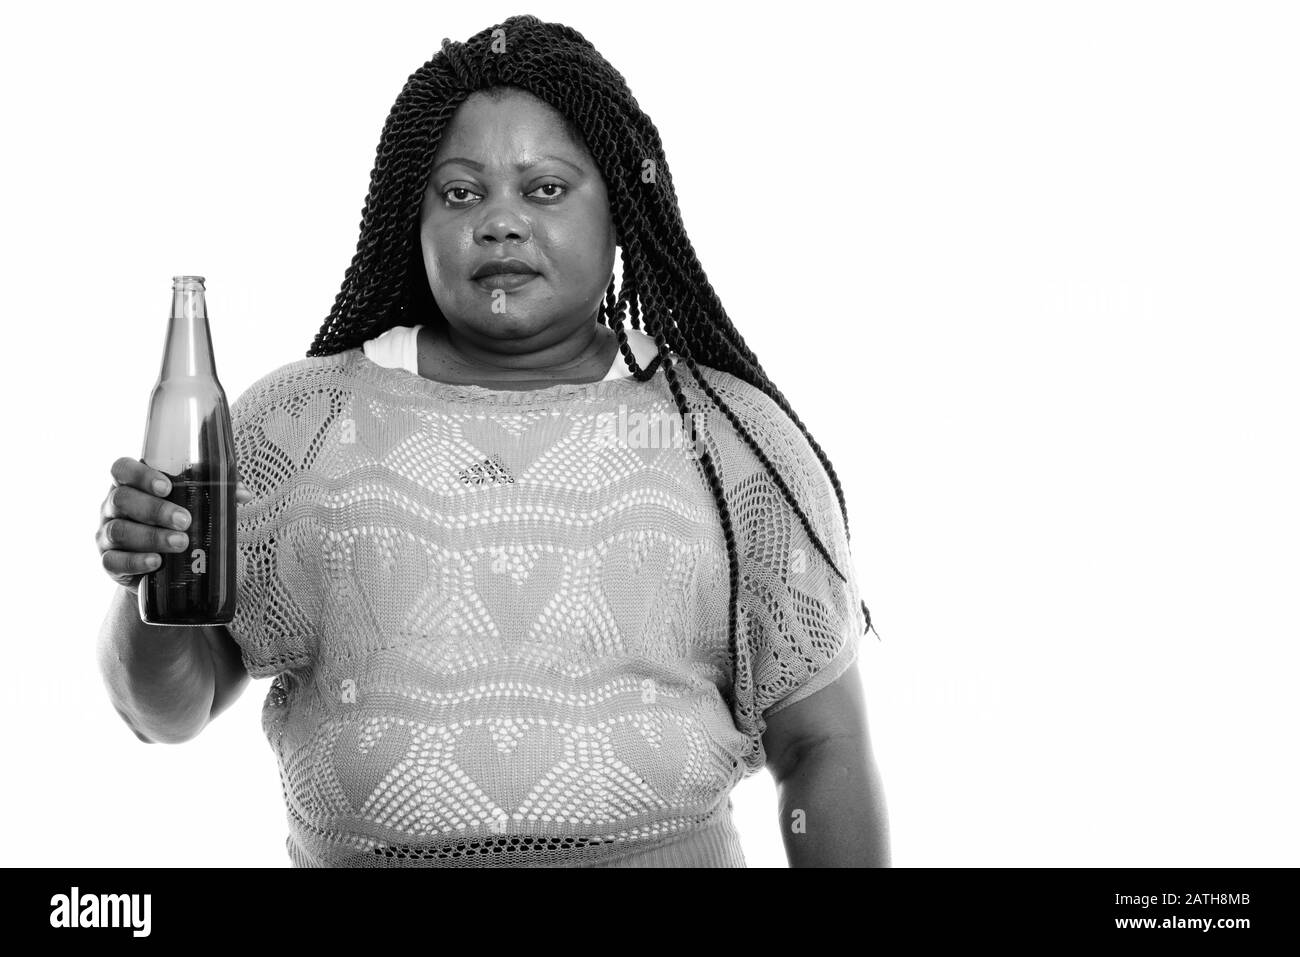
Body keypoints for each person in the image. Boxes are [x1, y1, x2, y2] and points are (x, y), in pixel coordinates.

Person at [96, 14, 889, 867]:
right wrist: (144, 587)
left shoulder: (729, 436)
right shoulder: (296, 423)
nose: (500, 222)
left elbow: (819, 749)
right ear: (415, 214)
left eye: (545, 188)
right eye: (461, 192)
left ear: (621, 208)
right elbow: (164, 712)